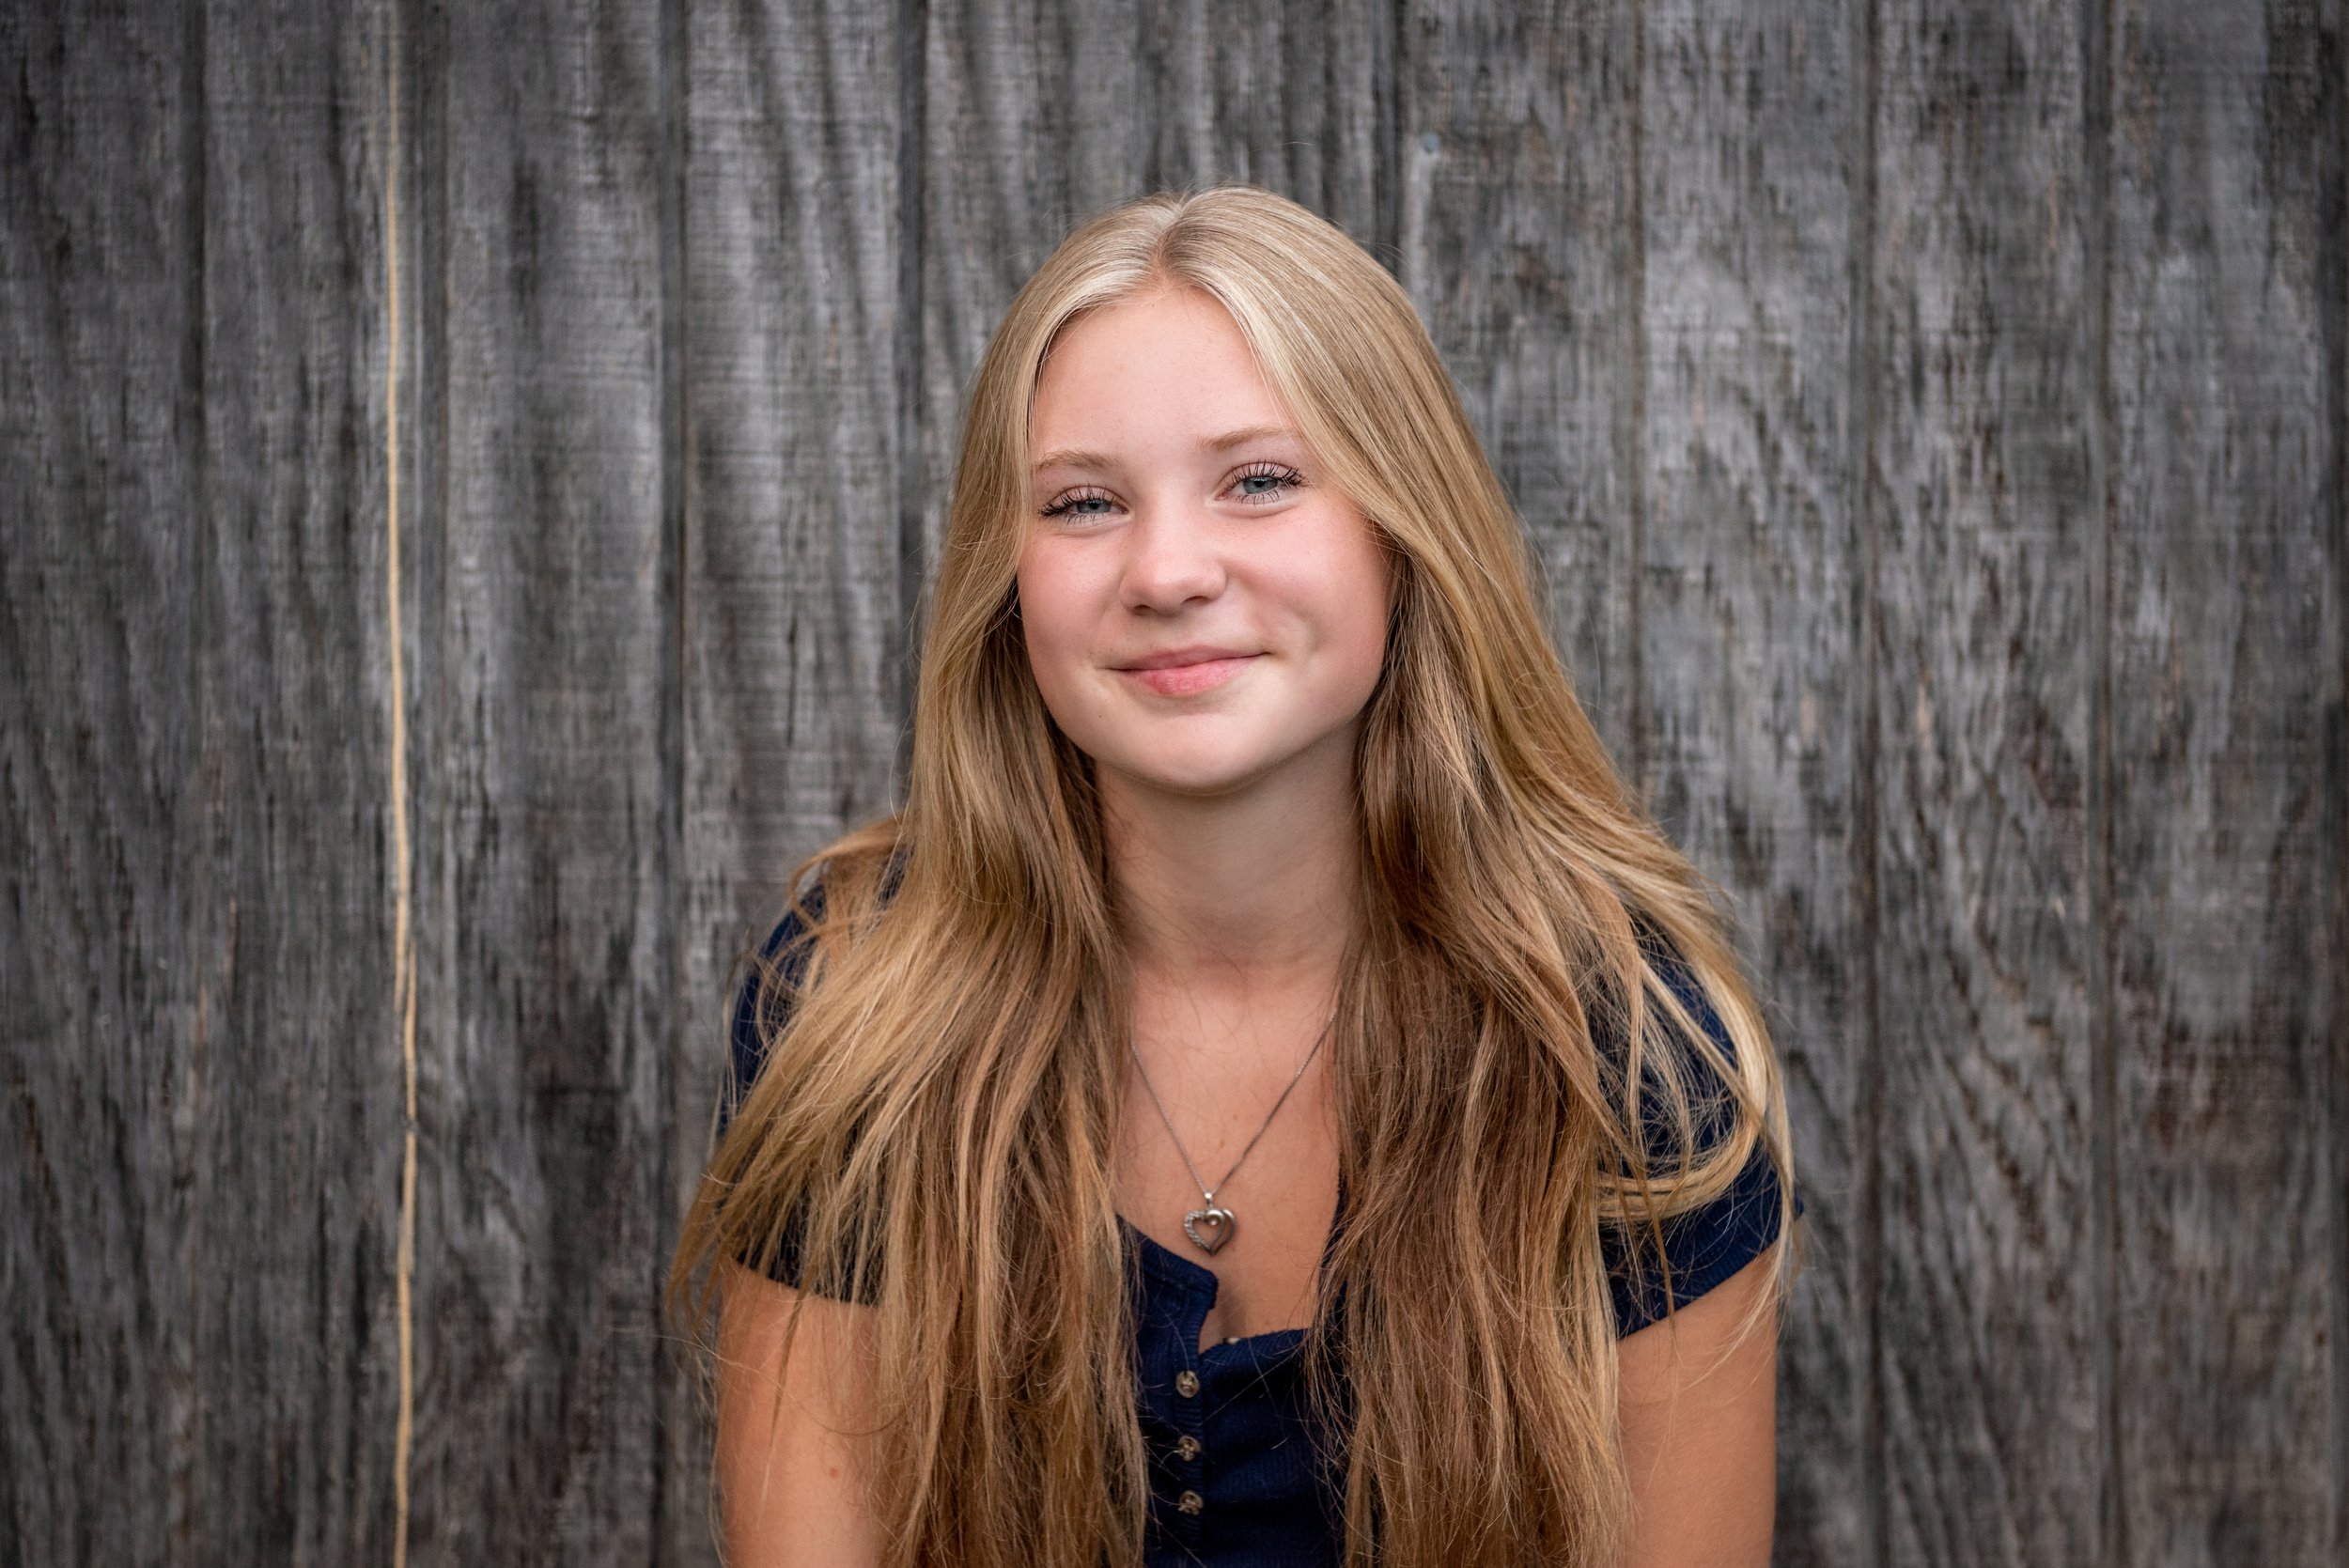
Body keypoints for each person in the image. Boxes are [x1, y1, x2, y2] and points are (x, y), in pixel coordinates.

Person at [669, 184, 1799, 1568]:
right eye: (1084, 501)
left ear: (1401, 524)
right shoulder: (856, 1003)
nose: (1167, 568)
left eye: (1259, 479)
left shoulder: (1623, 1045)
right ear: (1005, 573)